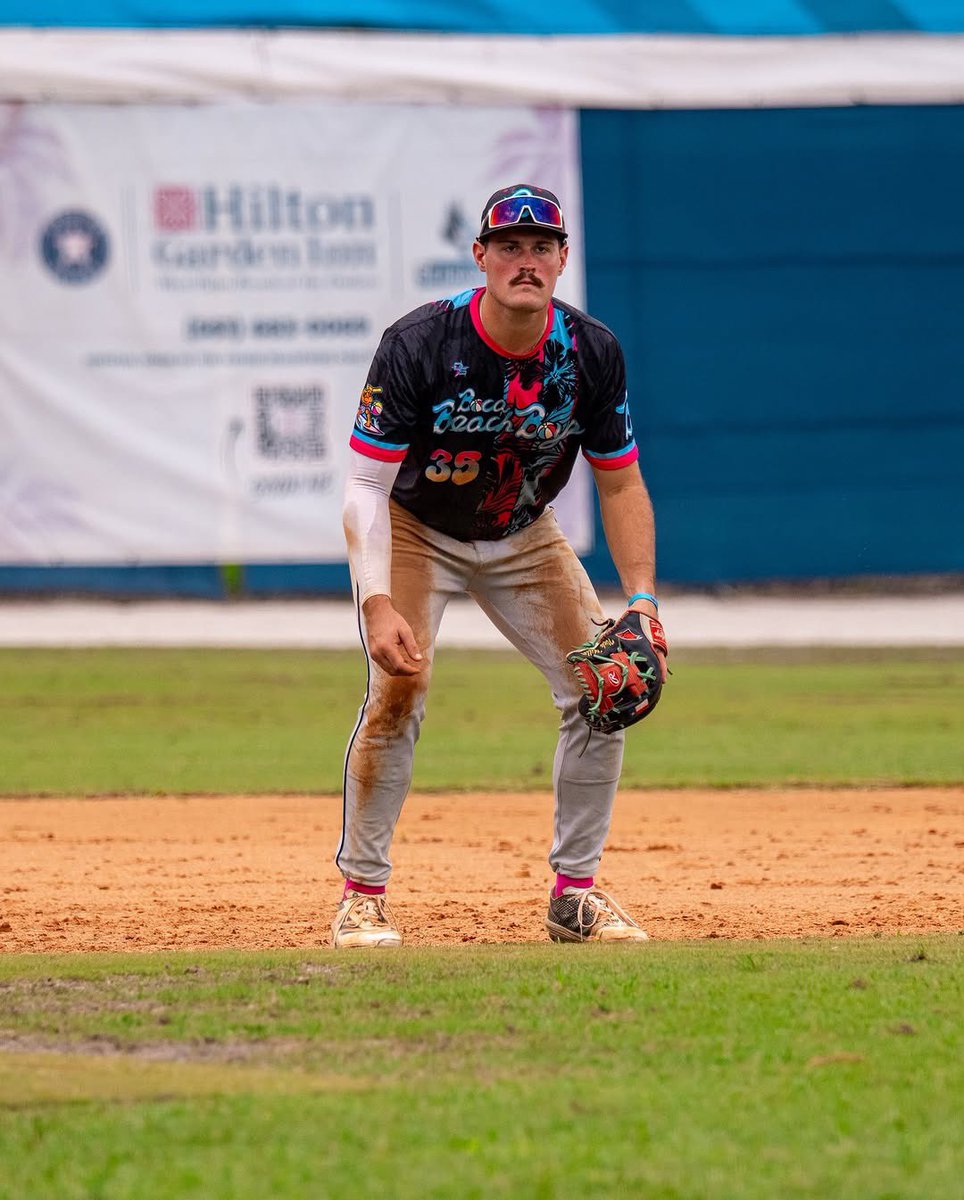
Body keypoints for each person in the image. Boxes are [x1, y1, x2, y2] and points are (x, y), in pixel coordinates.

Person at [332, 184, 667, 948]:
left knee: (603, 684)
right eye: (509, 245)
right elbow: (365, 485)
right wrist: (376, 601)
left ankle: (574, 896)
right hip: (419, 528)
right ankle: (361, 895)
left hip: (523, 532)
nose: (527, 259)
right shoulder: (421, 343)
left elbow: (619, 479)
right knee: (399, 690)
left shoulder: (589, 351)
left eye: (541, 246)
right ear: (480, 255)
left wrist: (642, 600)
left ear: (562, 259)